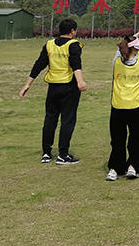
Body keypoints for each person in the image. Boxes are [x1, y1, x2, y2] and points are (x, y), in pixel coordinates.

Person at [19, 18, 88, 165]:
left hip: (53, 88)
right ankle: (63, 154)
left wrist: (28, 84)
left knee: (50, 119)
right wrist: (80, 81)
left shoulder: (49, 44)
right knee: (67, 120)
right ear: (72, 31)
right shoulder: (73, 44)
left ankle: (46, 153)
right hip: (69, 87)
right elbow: (75, 63)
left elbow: (39, 64)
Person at [106, 31, 139, 181]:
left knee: (117, 139)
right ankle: (132, 166)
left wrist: (135, 35)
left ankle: (115, 168)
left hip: (118, 107)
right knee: (135, 139)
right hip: (135, 106)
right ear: (135, 49)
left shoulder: (116, 62)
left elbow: (120, 49)